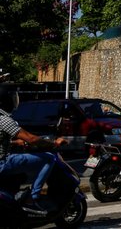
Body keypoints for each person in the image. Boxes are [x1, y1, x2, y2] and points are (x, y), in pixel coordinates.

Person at [0, 84, 67, 214]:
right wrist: (54, 144)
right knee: (49, 158)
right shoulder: (4, 120)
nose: (15, 101)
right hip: (2, 162)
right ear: (5, 100)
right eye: (13, 98)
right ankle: (33, 197)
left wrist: (15, 142)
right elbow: (31, 139)